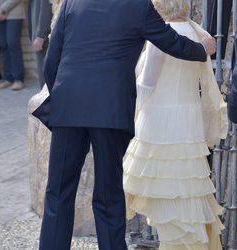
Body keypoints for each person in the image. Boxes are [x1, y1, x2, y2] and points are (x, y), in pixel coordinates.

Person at [33, 0, 217, 249]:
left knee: (58, 191)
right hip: (110, 109)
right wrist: (202, 49)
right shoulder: (138, 6)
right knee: (109, 194)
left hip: (69, 105)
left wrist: (63, 96)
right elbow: (171, 42)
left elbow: (52, 60)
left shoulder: (71, 3)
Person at [123, 0, 228, 249]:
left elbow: (147, 83)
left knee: (163, 190)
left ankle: (171, 244)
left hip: (159, 122)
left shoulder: (161, 35)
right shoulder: (196, 32)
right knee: (186, 190)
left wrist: (132, 107)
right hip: (188, 121)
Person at [0, 0, 25, 90]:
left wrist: (2, 9)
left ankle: (18, 79)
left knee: (13, 44)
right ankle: (8, 79)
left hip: (14, 14)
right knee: (4, 46)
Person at [28, 0, 52, 89]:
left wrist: (40, 35)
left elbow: (46, 6)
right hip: (40, 34)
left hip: (45, 37)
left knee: (46, 81)